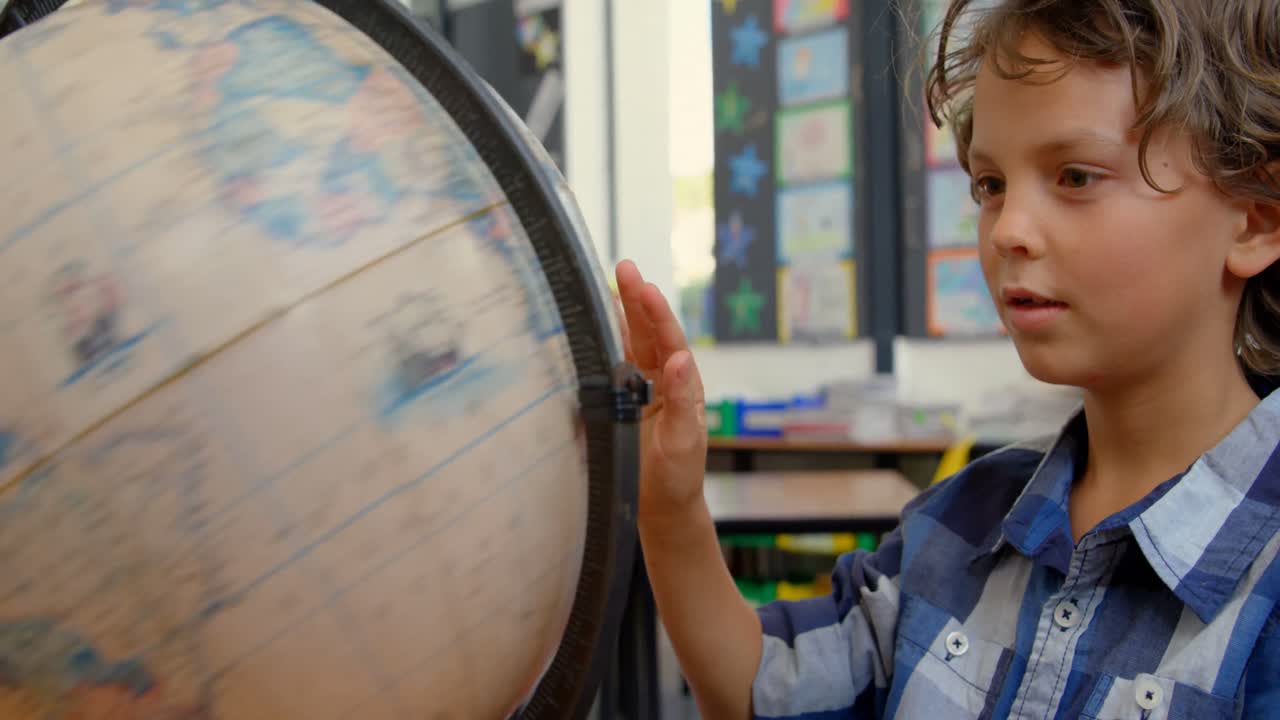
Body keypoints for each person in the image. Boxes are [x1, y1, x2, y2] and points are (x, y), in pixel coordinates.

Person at [613, 0, 1280, 717]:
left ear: (1255, 218)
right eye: (990, 185)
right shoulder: (954, 524)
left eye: (1076, 176)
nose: (1008, 231)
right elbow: (763, 687)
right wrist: (670, 505)